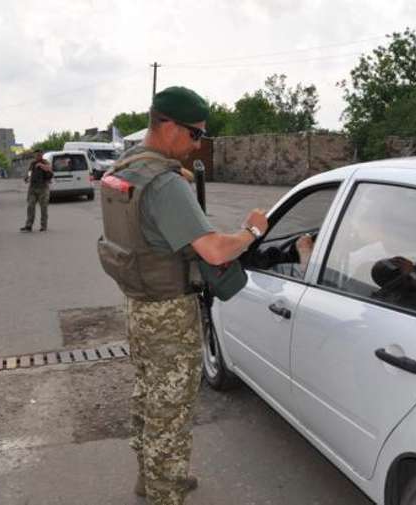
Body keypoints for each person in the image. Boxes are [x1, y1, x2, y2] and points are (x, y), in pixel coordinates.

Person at [98, 86, 268, 505]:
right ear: (168, 125)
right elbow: (213, 250)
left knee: (146, 394)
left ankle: (150, 477)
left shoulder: (129, 165)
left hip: (139, 302)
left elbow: (147, 202)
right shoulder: (165, 185)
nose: (198, 144)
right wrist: (251, 231)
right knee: (169, 410)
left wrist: (178, 179)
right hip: (170, 311)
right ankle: (164, 492)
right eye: (194, 134)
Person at [20, 149, 53, 232]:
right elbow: (30, 172)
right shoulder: (32, 163)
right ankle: (28, 226)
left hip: (43, 188)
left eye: (39, 154)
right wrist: (27, 177)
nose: (38, 156)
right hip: (33, 188)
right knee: (30, 206)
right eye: (36, 155)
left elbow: (49, 169)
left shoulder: (45, 162)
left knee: (43, 208)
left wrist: (41, 165)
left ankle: (43, 226)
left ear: (42, 155)